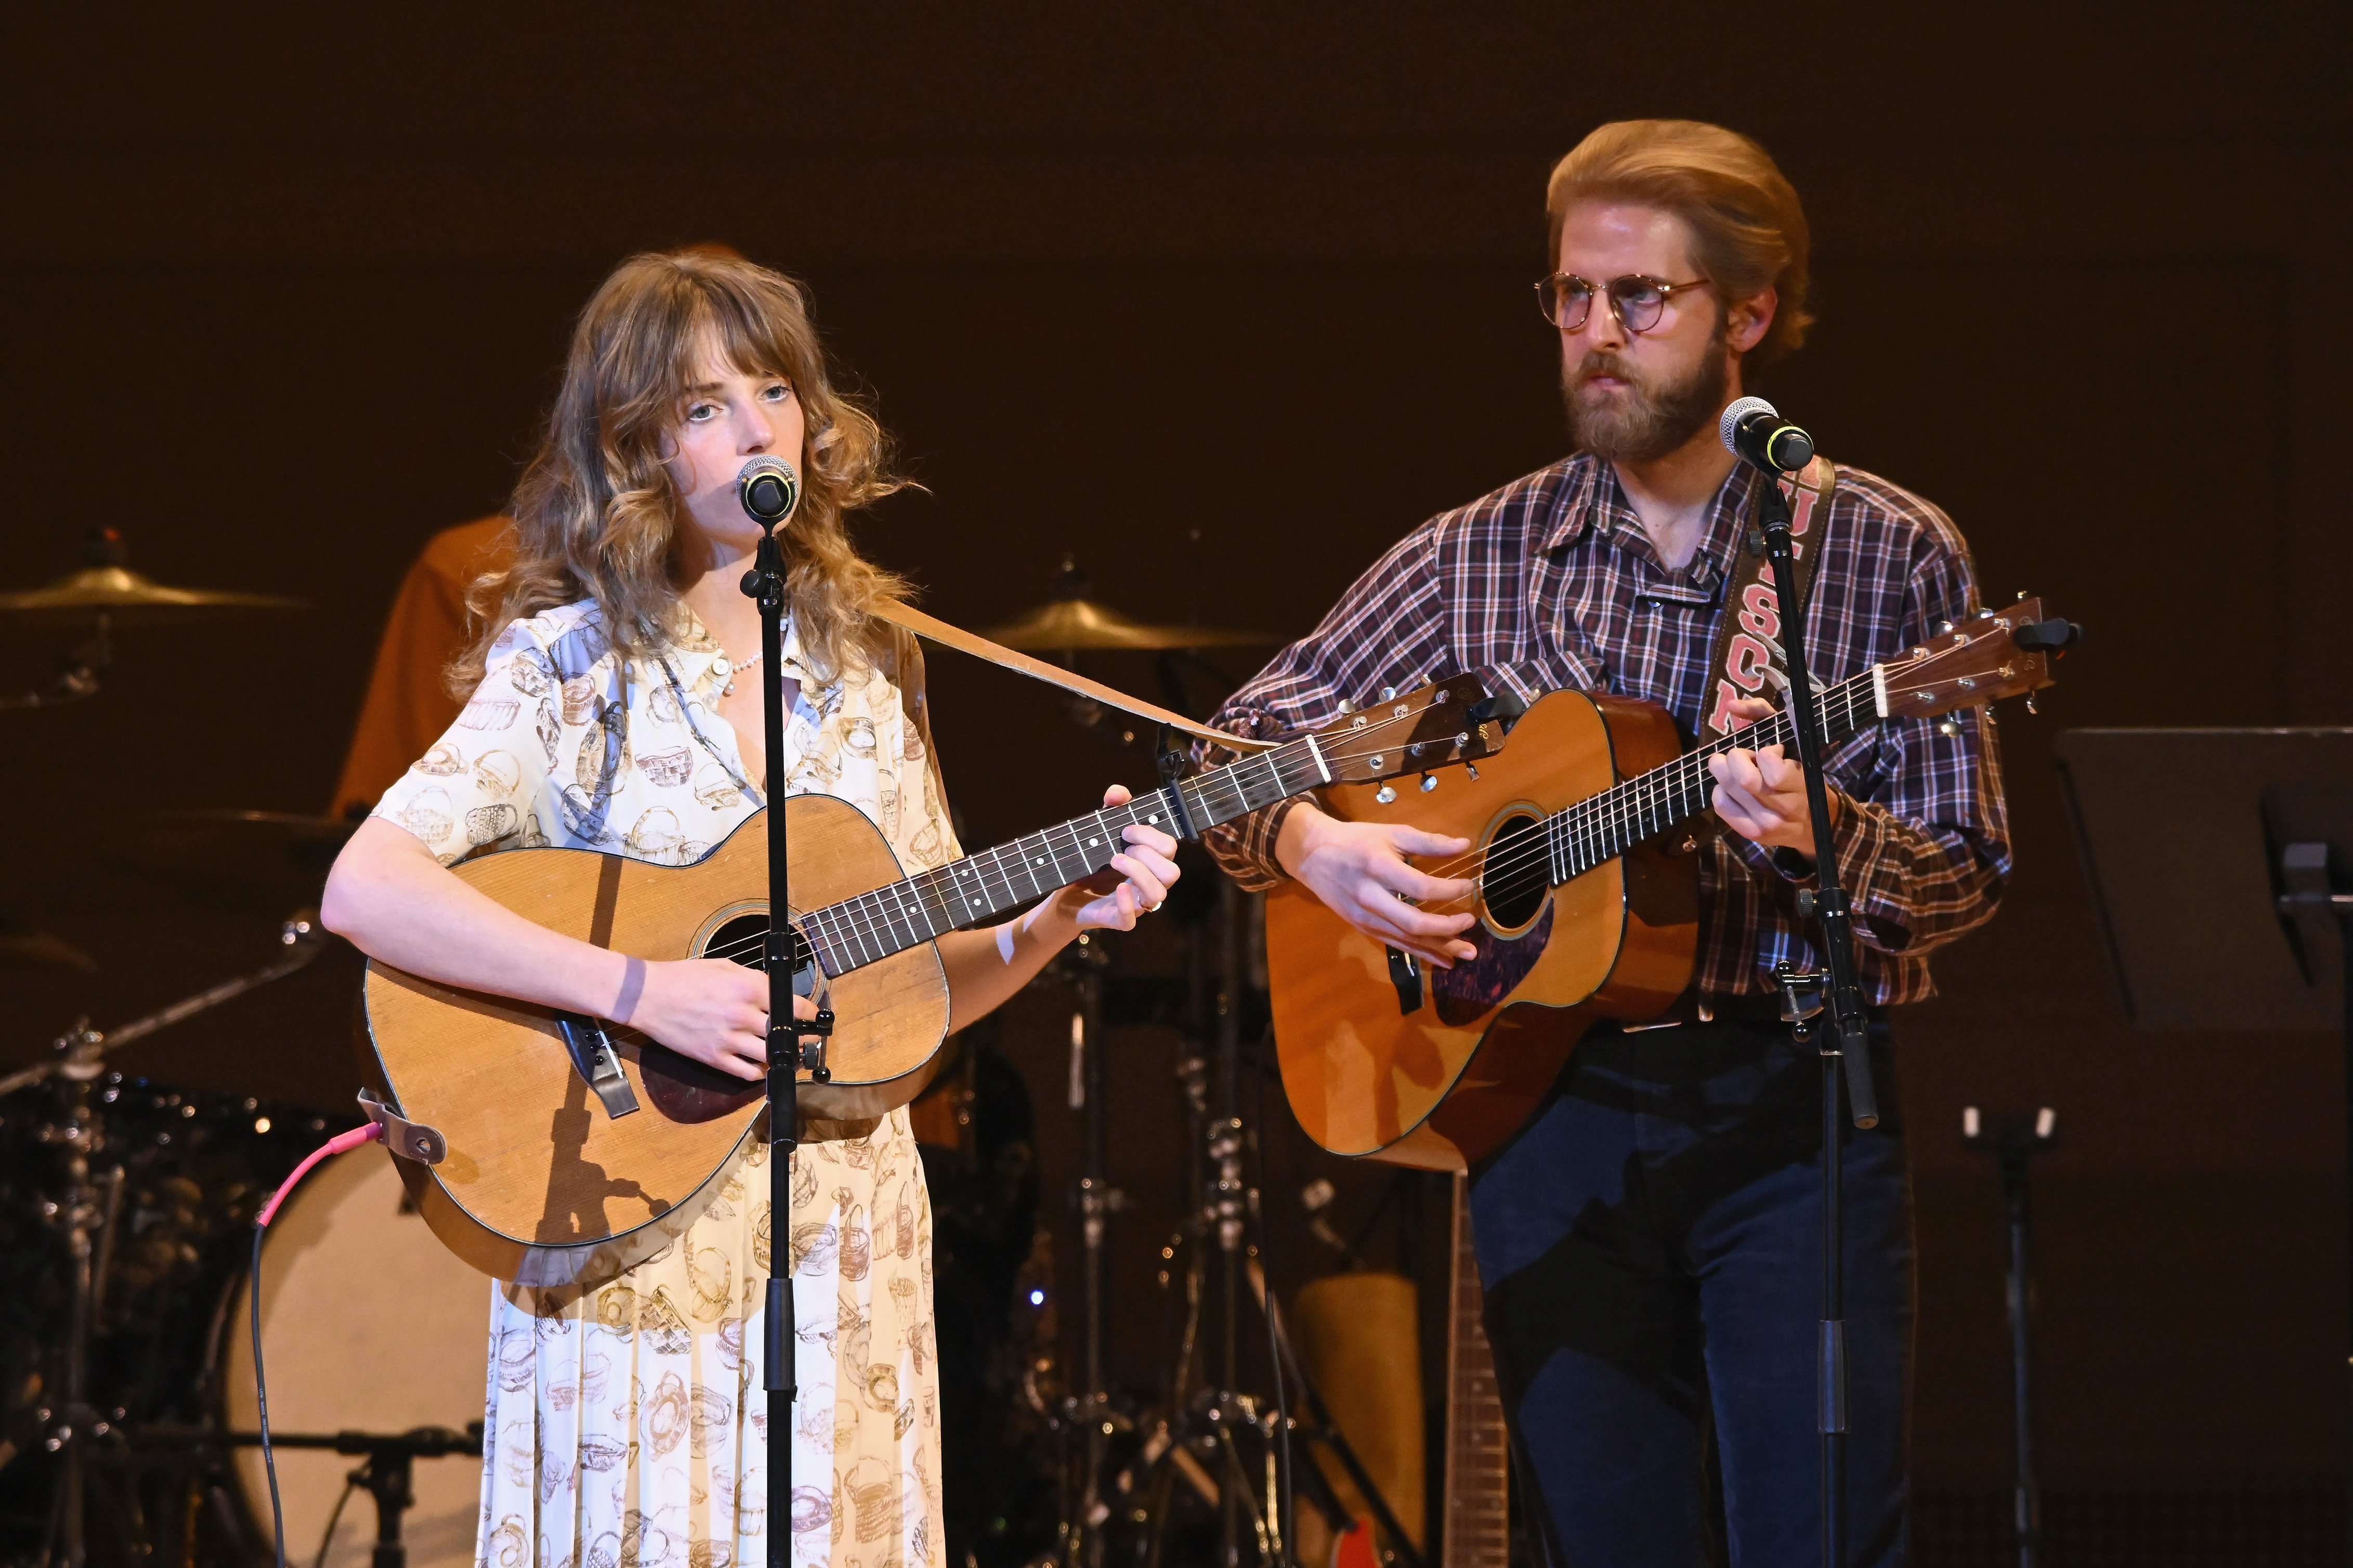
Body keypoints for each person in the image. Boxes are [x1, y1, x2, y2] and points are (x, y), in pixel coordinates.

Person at [1200, 121, 2009, 1565]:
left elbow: (1962, 866)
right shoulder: (1476, 554)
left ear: (1745, 314)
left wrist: (1838, 845)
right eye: (1568, 296)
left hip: (1793, 1114)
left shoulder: (1883, 553)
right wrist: (1314, 846)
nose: (1592, 333)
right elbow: (1232, 746)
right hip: (1546, 1116)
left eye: (1637, 298)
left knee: (1817, 1540)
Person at [320, 247, 1181, 1568]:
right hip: (630, 1224)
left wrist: (1058, 914)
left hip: (843, 1241)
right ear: (637, 449)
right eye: (702, 405)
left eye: (771, 390)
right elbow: (366, 887)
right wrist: (642, 991)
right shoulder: (570, 668)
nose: (753, 427)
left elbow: (928, 977)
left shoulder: (860, 669)